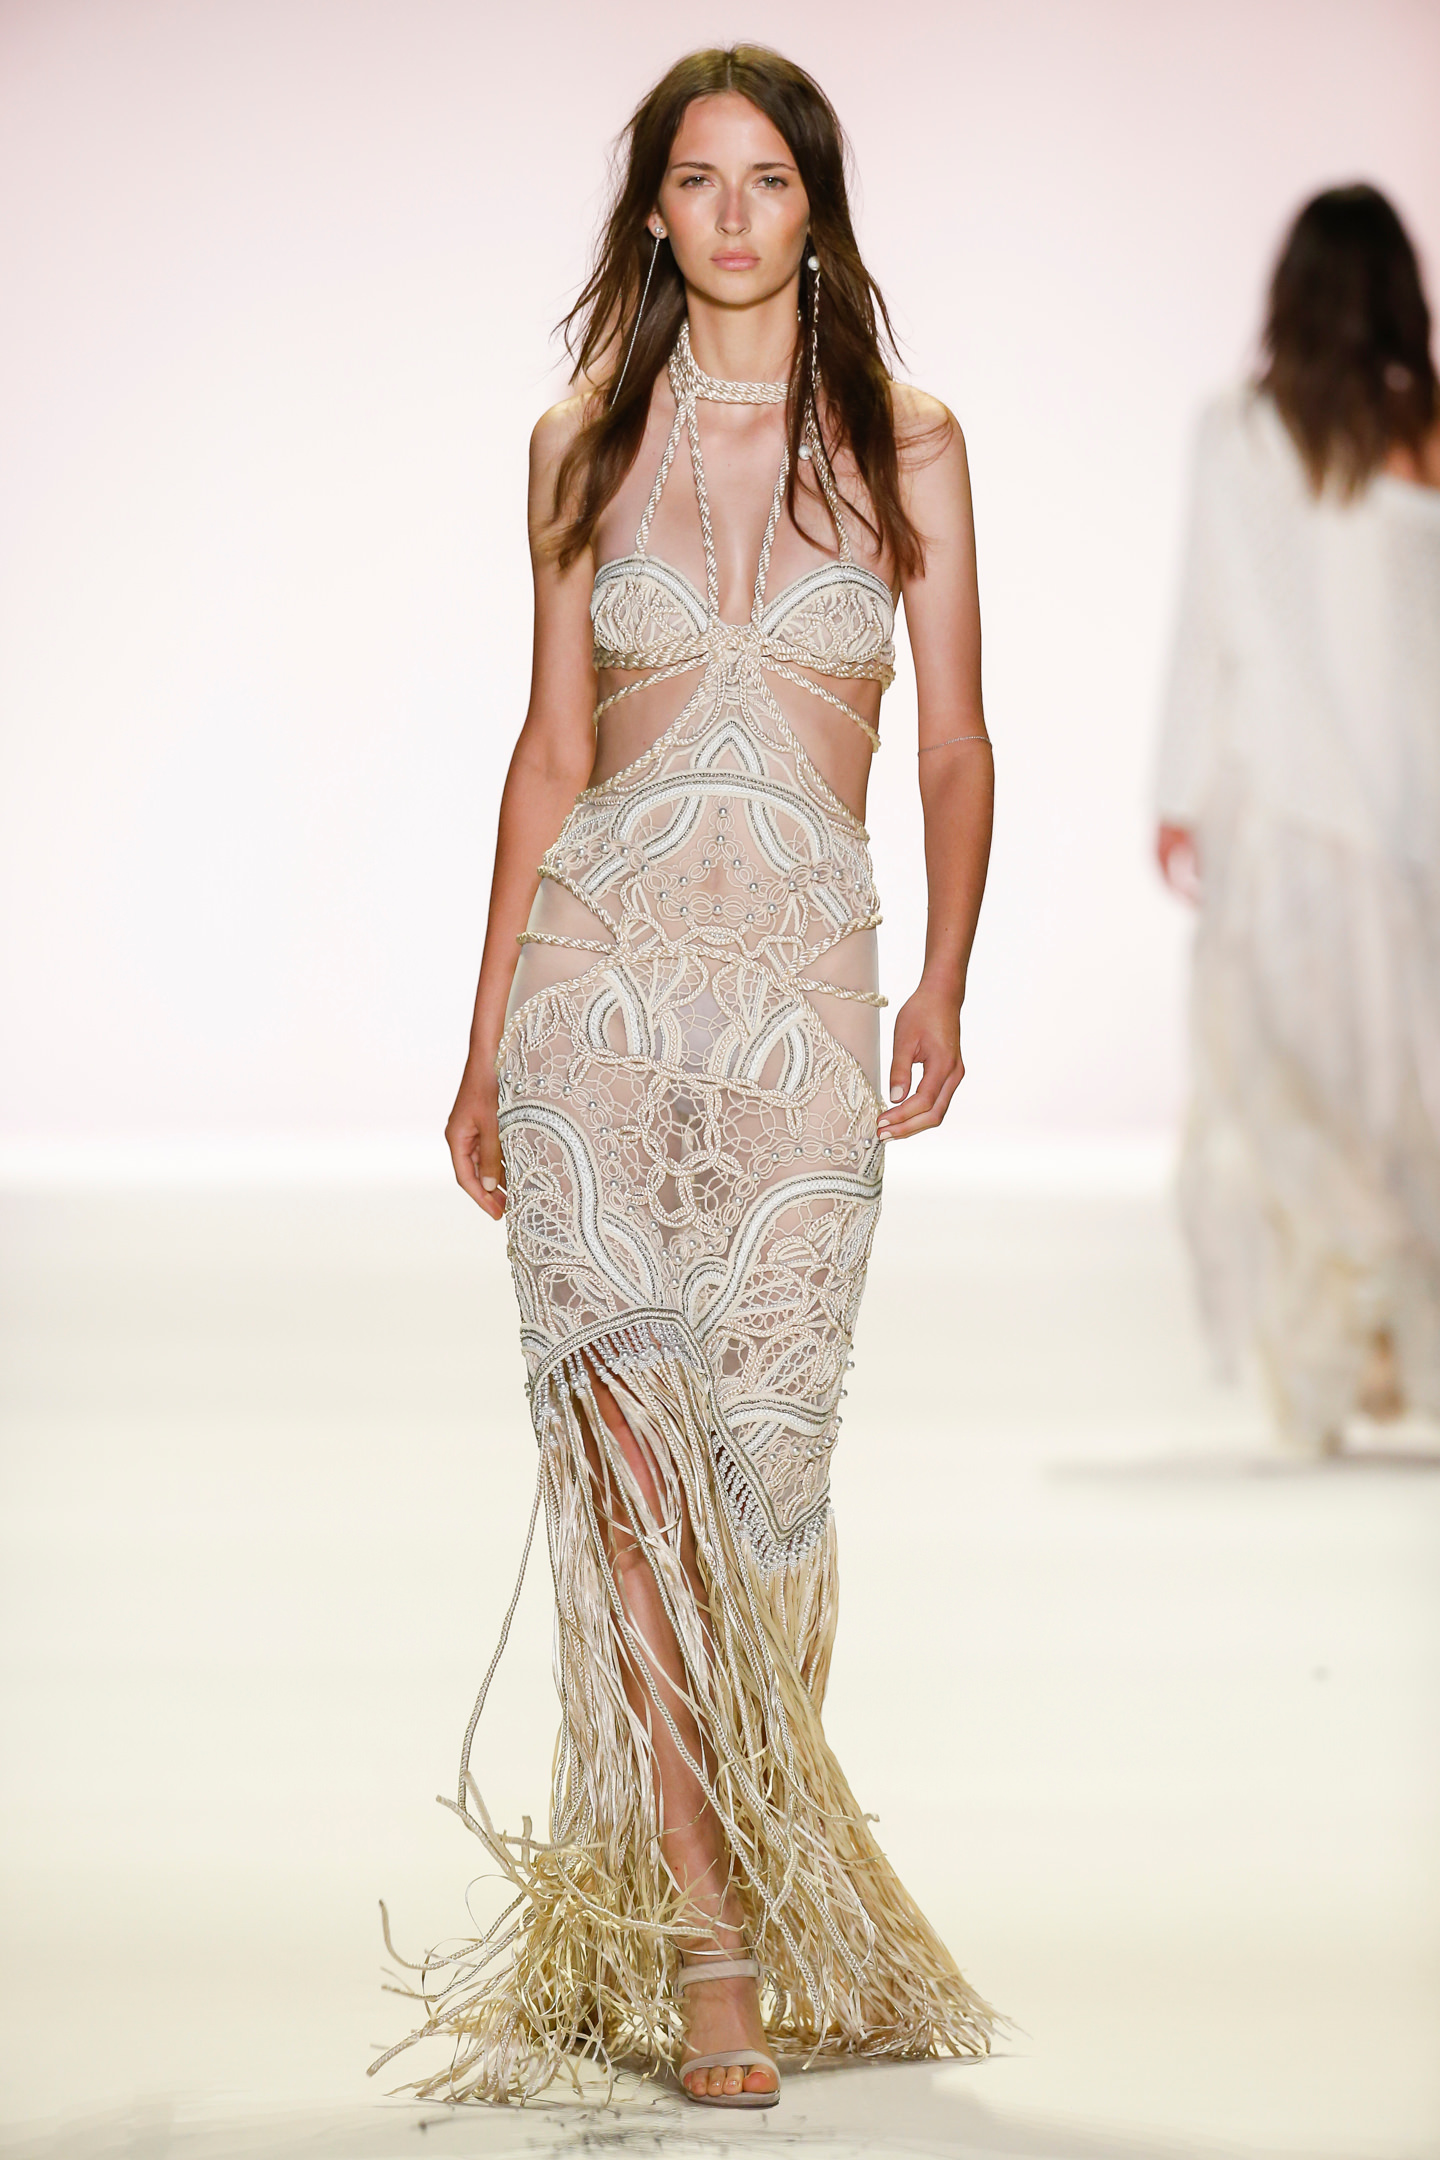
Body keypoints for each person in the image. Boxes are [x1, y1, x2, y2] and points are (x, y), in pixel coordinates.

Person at [374, 46, 997, 2109]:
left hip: (805, 1014)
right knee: (632, 1476)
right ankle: (712, 1942)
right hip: (596, 1012)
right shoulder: (578, 442)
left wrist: (947, 979)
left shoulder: (908, 443)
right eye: (699, 180)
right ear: (653, 208)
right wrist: (485, 1039)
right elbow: (553, 749)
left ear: (816, 207)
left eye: (769, 180)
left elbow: (954, 743)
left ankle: (739, 1864)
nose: (734, 215)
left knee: (771, 1483)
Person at [1156, 183, 1440, 1459]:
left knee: (1287, 1081)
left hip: (1282, 807)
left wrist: (1178, 794)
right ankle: (1391, 1334)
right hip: (1413, 814)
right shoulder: (1425, 434)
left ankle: (1333, 1354)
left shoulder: (1238, 434)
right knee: (1400, 1084)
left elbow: (1207, 623)